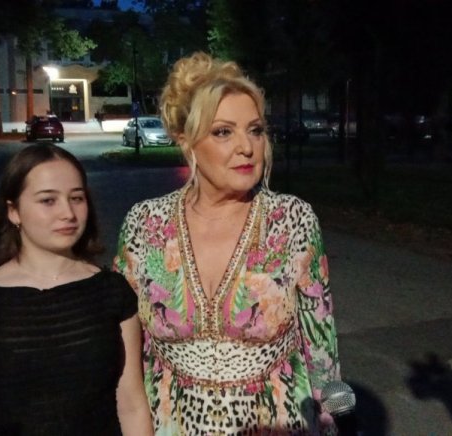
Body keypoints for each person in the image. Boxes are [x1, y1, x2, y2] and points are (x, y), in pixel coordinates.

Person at [114, 52, 341, 435]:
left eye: (255, 130)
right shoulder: (144, 225)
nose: (247, 147)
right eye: (223, 132)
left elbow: (323, 351)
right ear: (186, 140)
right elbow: (124, 358)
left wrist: (334, 423)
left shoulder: (291, 220)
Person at [0, 144, 153, 435]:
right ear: (14, 211)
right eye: (48, 200)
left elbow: (132, 406)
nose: (68, 213)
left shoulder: (113, 293)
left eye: (76, 198)